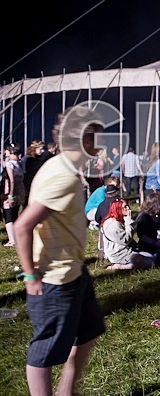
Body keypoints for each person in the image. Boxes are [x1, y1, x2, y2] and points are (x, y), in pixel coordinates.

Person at [13, 106, 106, 395]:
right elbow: (22, 226)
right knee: (44, 352)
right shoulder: (62, 176)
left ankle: (68, 389)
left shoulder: (61, 167)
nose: (100, 146)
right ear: (83, 140)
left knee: (89, 332)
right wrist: (31, 277)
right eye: (96, 139)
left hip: (75, 272)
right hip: (55, 281)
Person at [100, 199, 154, 270]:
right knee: (150, 263)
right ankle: (121, 267)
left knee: (150, 257)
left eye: (128, 206)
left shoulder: (119, 220)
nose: (128, 208)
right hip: (118, 254)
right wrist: (129, 220)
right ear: (118, 209)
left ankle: (130, 264)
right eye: (125, 207)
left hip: (126, 250)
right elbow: (126, 240)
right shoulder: (112, 224)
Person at [135, 191, 160, 265]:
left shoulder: (159, 215)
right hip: (148, 246)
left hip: (159, 243)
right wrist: (155, 243)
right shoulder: (144, 217)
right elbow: (142, 235)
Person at [3, 143, 26, 247]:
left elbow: (11, 181)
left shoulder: (10, 164)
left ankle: (12, 240)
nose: (5, 152)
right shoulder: (20, 163)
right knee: (15, 214)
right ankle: (17, 237)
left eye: (7, 150)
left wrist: (10, 195)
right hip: (21, 192)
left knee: (8, 215)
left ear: (11, 152)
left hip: (13, 192)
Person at [21, 140, 46, 207]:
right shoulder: (28, 159)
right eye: (41, 149)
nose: (43, 151)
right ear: (35, 149)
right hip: (28, 188)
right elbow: (26, 174)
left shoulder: (37, 159)